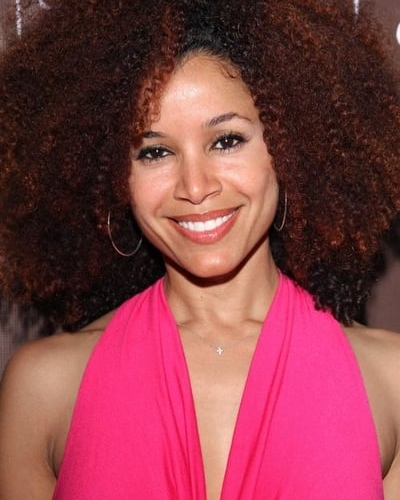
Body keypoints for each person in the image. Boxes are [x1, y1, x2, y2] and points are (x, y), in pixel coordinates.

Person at [0, 0, 400, 498]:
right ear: (113, 177)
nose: (195, 186)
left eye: (226, 141)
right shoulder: (45, 386)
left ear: (290, 146)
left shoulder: (389, 381)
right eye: (155, 151)